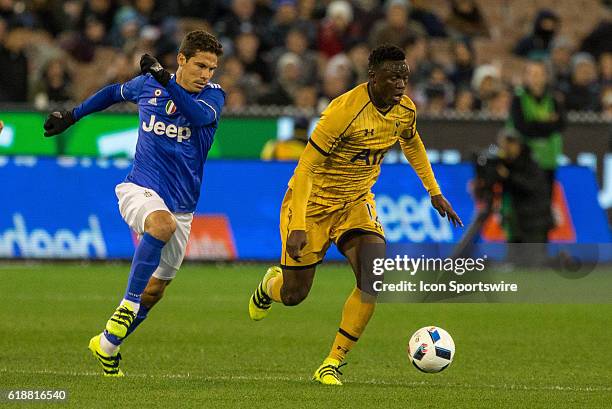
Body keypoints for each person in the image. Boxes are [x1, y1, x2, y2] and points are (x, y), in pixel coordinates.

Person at [248, 45, 462, 385]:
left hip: (355, 203)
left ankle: (332, 362)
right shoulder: (342, 112)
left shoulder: (404, 110)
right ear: (372, 77)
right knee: (293, 295)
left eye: (404, 78)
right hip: (313, 205)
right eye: (393, 77)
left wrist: (434, 192)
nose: (400, 85)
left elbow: (412, 142)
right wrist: (299, 224)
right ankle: (267, 287)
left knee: (372, 277)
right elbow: (305, 169)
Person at [42, 30, 225, 377]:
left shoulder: (213, 97)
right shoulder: (149, 86)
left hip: (182, 205)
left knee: (156, 290)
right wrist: (72, 115)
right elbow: (113, 93)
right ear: (182, 60)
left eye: (212, 68)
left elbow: (197, 117)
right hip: (139, 188)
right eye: (201, 65)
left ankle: (107, 344)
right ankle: (127, 304)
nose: (207, 75)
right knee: (161, 226)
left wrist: (164, 79)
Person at [509, 59, 564, 199]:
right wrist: (546, 123)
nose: (535, 78)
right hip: (524, 161)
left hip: (548, 160)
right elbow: (521, 127)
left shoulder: (554, 99)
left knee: (546, 201)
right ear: (525, 77)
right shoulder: (518, 98)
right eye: (532, 74)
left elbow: (560, 125)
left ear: (546, 76)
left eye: (539, 74)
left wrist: (535, 123)